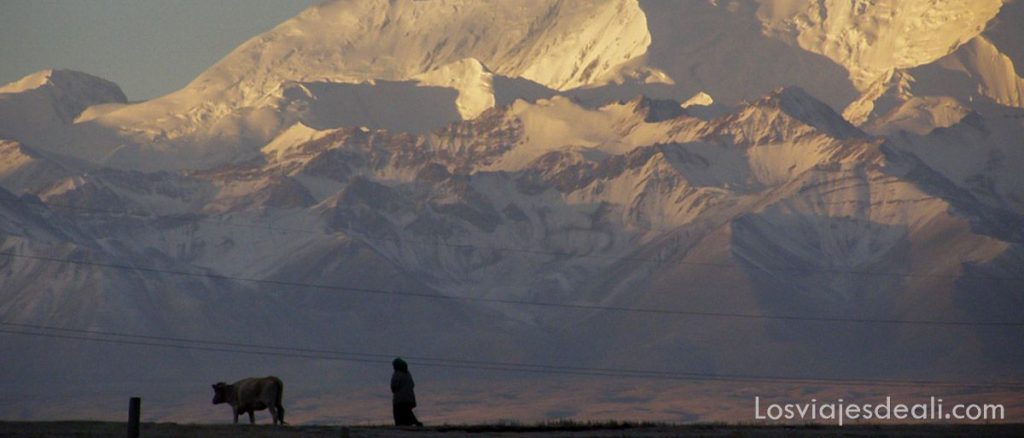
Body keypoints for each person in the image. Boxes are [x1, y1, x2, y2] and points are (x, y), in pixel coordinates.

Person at [390, 357, 423, 426]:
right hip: (410, 398)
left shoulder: (397, 374)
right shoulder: (408, 374)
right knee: (407, 412)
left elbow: (394, 386)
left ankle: (404, 426)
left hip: (400, 399)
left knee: (399, 413)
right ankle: (413, 423)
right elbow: (412, 384)